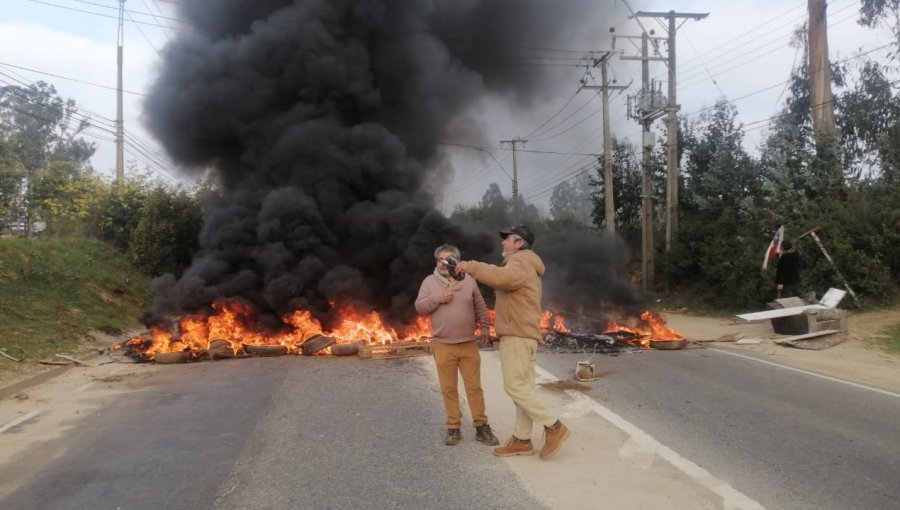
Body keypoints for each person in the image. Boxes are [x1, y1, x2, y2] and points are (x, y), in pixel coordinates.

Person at [455, 225, 570, 460]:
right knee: (523, 389)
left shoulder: (521, 262)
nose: (502, 243)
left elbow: (500, 277)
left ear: (519, 243)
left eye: (506, 239)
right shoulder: (526, 263)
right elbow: (502, 280)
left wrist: (471, 266)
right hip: (523, 334)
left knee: (514, 387)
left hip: (517, 335)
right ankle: (522, 439)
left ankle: (554, 425)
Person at [415, 244, 499, 447]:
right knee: (449, 389)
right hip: (443, 345)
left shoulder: (469, 280)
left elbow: (479, 304)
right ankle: (453, 428)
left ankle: (481, 427)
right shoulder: (429, 282)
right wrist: (439, 298)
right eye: (439, 260)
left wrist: (486, 328)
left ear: (456, 261)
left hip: (468, 344)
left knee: (474, 388)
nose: (443, 264)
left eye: (448, 260)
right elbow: (419, 307)